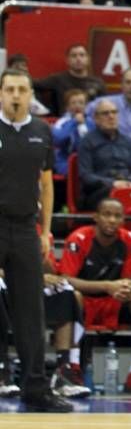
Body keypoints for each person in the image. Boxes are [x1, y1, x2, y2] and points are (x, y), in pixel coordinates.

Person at [0, 68, 71, 410]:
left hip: (26, 227)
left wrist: (46, 231)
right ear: (0, 93)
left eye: (22, 89)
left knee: (31, 310)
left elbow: (46, 184)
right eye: (10, 89)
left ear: (31, 95)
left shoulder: (42, 131)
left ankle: (36, 388)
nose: (16, 95)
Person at [59, 198, 131, 395]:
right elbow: (66, 280)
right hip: (83, 301)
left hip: (113, 302)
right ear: (95, 217)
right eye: (107, 214)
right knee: (73, 297)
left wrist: (127, 288)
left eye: (117, 216)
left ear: (123, 219)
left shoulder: (129, 240)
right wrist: (107, 286)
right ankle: (72, 370)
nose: (112, 220)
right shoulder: (78, 238)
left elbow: (128, 279)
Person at [77, 97, 131, 209]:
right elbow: (86, 175)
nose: (111, 116)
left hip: (128, 187)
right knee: (113, 195)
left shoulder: (128, 141)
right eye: (105, 113)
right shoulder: (87, 142)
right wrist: (113, 183)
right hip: (99, 192)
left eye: (114, 112)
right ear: (96, 119)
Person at [33, 42, 105, 115]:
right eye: (74, 56)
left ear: (88, 59)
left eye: (82, 55)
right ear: (67, 60)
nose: (78, 59)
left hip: (90, 124)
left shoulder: (97, 83)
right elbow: (32, 84)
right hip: (64, 123)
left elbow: (103, 107)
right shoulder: (58, 79)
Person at [52, 88, 91, 175]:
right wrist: (74, 122)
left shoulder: (91, 122)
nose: (77, 106)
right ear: (67, 107)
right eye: (73, 103)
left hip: (88, 161)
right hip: (65, 161)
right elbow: (58, 140)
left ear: (86, 105)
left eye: (81, 103)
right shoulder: (62, 122)